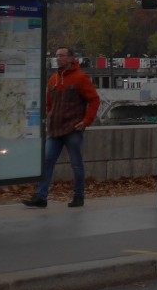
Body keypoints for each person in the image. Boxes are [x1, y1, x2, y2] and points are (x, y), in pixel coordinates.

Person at [23, 47, 100, 209]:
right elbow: (49, 102)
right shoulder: (53, 79)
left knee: (76, 164)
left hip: (73, 129)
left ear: (71, 58)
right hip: (55, 129)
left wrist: (86, 121)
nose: (58, 58)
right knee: (46, 162)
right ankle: (41, 196)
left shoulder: (80, 78)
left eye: (62, 56)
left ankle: (78, 196)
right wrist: (48, 116)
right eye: (56, 56)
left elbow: (94, 100)